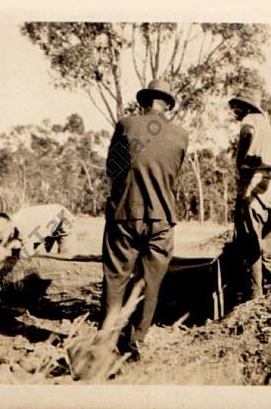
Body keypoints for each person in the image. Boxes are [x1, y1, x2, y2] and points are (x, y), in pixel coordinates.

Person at [100, 79, 188, 361]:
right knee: (150, 282)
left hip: (125, 213)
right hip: (162, 217)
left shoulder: (126, 125)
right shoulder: (181, 135)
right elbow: (174, 174)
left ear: (144, 102)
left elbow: (111, 169)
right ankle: (136, 341)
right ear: (168, 105)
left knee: (116, 277)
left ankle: (109, 339)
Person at [228, 87, 271, 300]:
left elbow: (246, 144)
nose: (233, 110)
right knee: (266, 243)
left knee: (251, 245)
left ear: (245, 107)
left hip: (256, 187)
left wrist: (241, 166)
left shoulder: (249, 123)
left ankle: (259, 294)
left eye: (236, 106)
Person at [0, 204, 76, 258]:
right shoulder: (12, 225)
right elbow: (15, 254)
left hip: (63, 218)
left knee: (65, 258)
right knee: (41, 256)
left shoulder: (24, 228)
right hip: (46, 224)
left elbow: (26, 257)